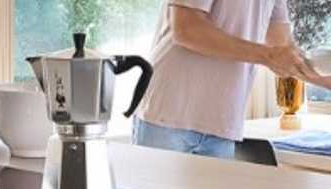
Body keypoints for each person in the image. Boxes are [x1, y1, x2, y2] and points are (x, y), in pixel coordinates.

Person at [134, 0, 331, 157]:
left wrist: (324, 81)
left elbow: (282, 47)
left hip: (222, 125)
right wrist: (267, 56)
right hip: (169, 116)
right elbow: (186, 28)